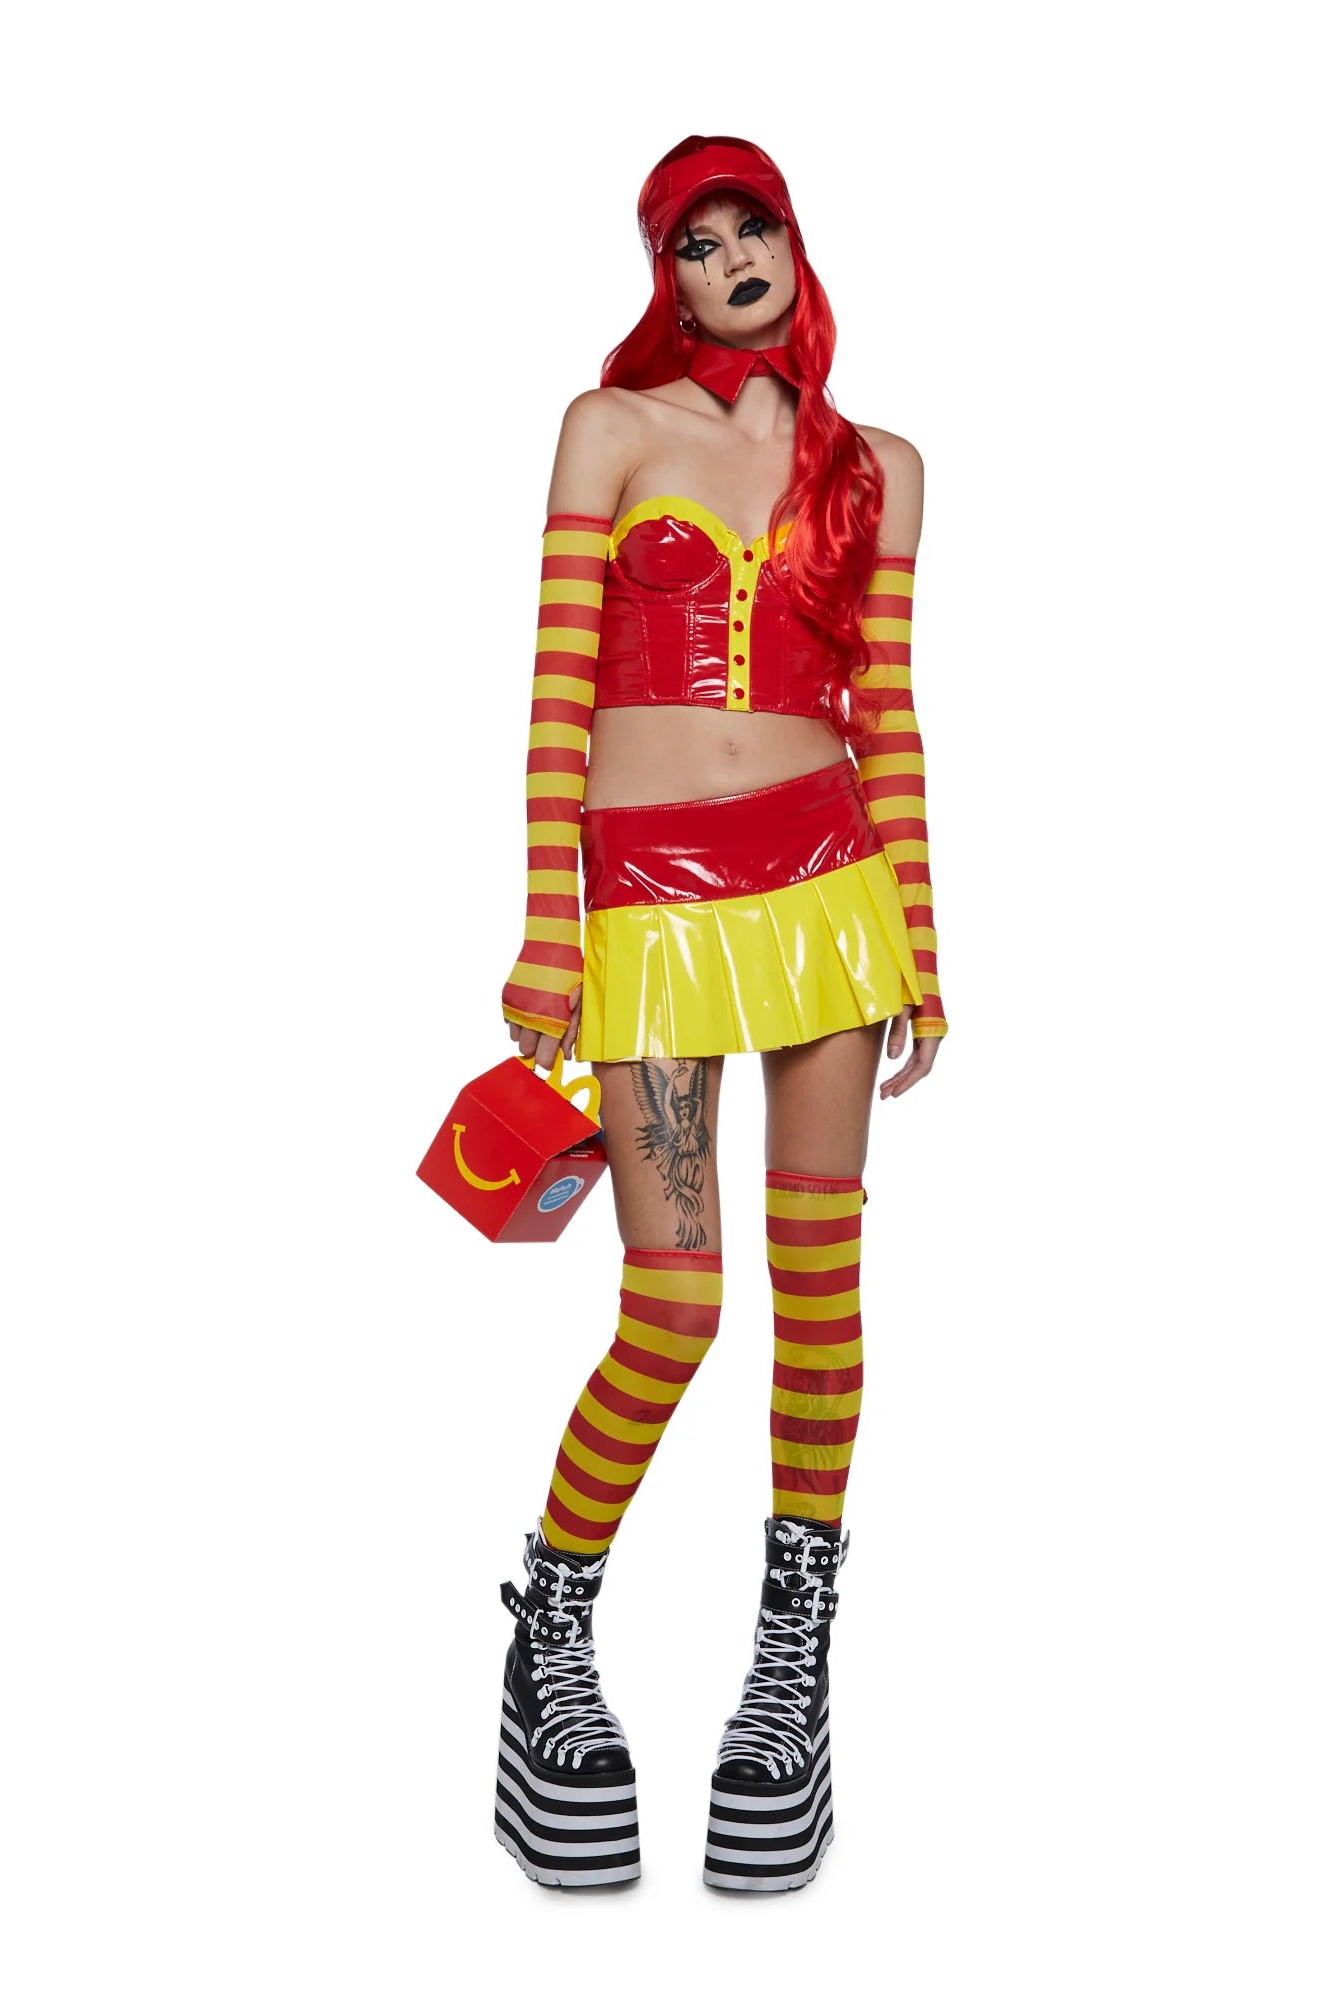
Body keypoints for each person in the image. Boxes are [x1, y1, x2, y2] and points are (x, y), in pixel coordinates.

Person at [493, 134, 949, 1893]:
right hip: (653, 920)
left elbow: (886, 712)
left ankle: (788, 1674)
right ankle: (549, 1629)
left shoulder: (878, 469)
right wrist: (549, 935)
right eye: (696, 238)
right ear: (662, 274)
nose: (732, 255)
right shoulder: (608, 430)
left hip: (830, 898)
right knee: (672, 1307)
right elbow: (554, 702)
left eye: (754, 224)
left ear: (795, 244)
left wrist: (921, 939)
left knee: (820, 1291)